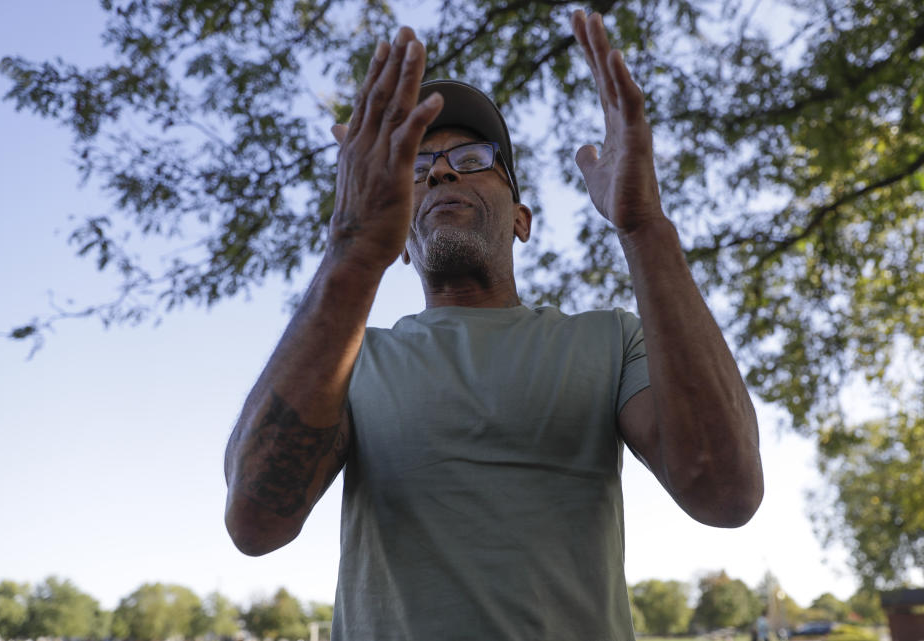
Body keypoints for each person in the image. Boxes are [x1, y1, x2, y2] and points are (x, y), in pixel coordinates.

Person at [223, 10, 764, 640]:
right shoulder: (347, 363)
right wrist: (350, 249)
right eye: (419, 168)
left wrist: (646, 230)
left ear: (521, 219)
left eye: (471, 158)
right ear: (401, 239)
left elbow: (726, 494)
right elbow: (256, 524)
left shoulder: (612, 341)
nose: (442, 172)